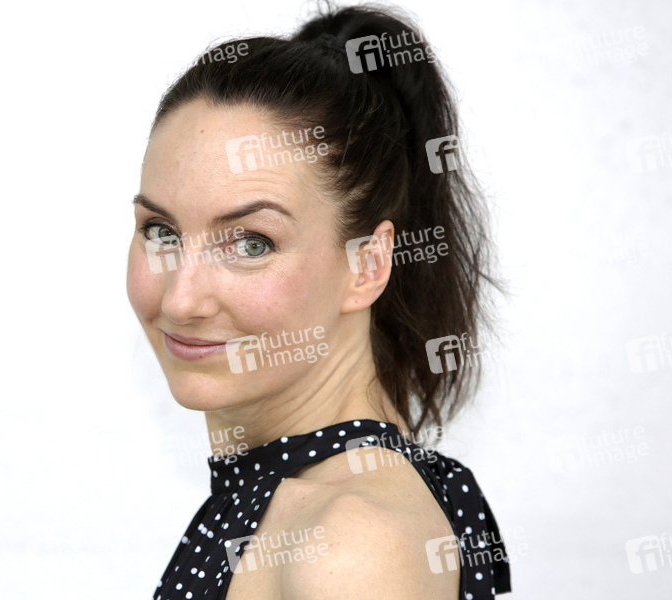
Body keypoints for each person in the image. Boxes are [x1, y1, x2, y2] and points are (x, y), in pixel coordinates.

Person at [127, 3, 512, 598]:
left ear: (367, 265)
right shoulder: (299, 502)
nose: (180, 299)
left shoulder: (349, 543)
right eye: (161, 231)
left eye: (251, 243)